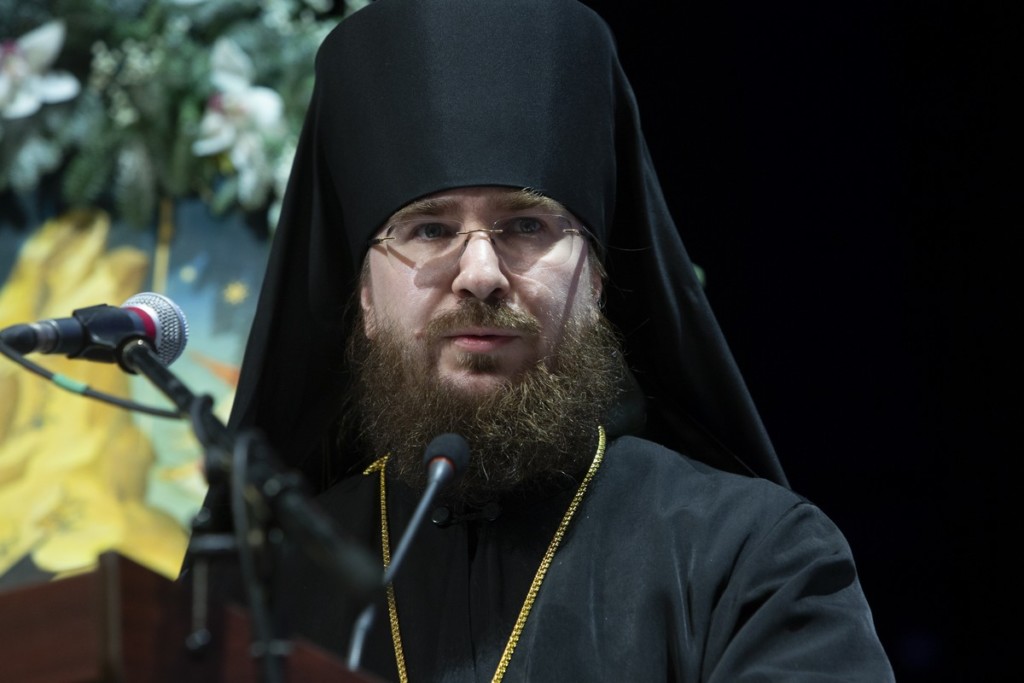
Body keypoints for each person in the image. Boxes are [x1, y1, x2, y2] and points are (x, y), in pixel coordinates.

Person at [193, 0, 895, 680]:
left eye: (527, 226)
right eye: (430, 229)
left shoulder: (752, 558)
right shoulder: (258, 593)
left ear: (597, 282)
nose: (480, 274)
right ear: (367, 299)